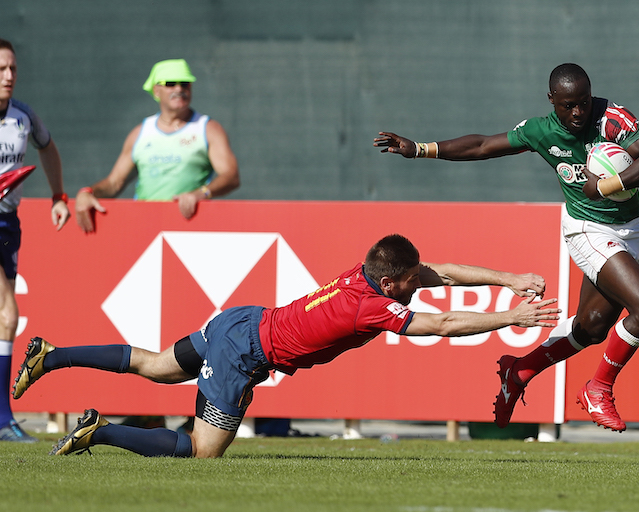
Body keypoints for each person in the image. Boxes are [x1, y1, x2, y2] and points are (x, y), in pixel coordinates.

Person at [13, 233, 559, 457]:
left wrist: (508, 278)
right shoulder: (372, 306)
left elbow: (436, 272)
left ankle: (49, 354)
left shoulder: (366, 274)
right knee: (204, 451)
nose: (421, 283)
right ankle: (98, 430)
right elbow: (439, 327)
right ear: (390, 283)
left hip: (240, 320)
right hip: (243, 353)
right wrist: (513, 314)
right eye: (411, 282)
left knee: (157, 366)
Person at [374, 63, 639, 432]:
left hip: (630, 228)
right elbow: (483, 145)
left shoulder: (612, 119)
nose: (578, 112)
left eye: (584, 102)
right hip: (587, 230)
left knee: (593, 328)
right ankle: (599, 388)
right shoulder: (540, 131)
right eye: (568, 105)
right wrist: (419, 148)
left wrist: (607, 186)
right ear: (552, 101)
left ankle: (519, 371)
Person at [74, 59, 240, 232]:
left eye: (185, 84)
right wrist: (87, 192)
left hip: (189, 228)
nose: (179, 89)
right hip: (144, 228)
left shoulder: (208, 129)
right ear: (156, 90)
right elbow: (114, 183)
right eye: (170, 84)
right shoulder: (140, 133)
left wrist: (200, 194)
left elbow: (231, 176)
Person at [0, 38, 71, 442]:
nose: (9, 76)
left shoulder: (23, 117)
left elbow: (48, 148)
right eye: (0, 70)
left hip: (8, 223)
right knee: (8, 314)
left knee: (2, 319)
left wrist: (59, 195)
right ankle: (2, 417)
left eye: (12, 69)